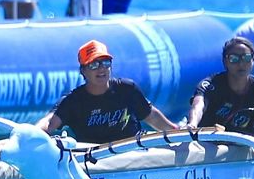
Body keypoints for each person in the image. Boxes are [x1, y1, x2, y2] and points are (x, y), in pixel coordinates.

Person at [37, 40, 181, 143]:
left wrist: (179, 132)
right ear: (83, 71)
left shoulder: (127, 89)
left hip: (133, 154)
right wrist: (28, 135)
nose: (101, 69)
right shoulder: (73, 101)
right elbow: (49, 124)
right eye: (94, 64)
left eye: (105, 63)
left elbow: (152, 117)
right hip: (96, 161)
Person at [186, 36, 254, 136]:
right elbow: (198, 104)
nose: (241, 63)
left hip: (240, 144)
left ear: (253, 60)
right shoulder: (210, 85)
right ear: (225, 62)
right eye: (234, 58)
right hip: (206, 139)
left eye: (246, 58)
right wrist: (192, 124)